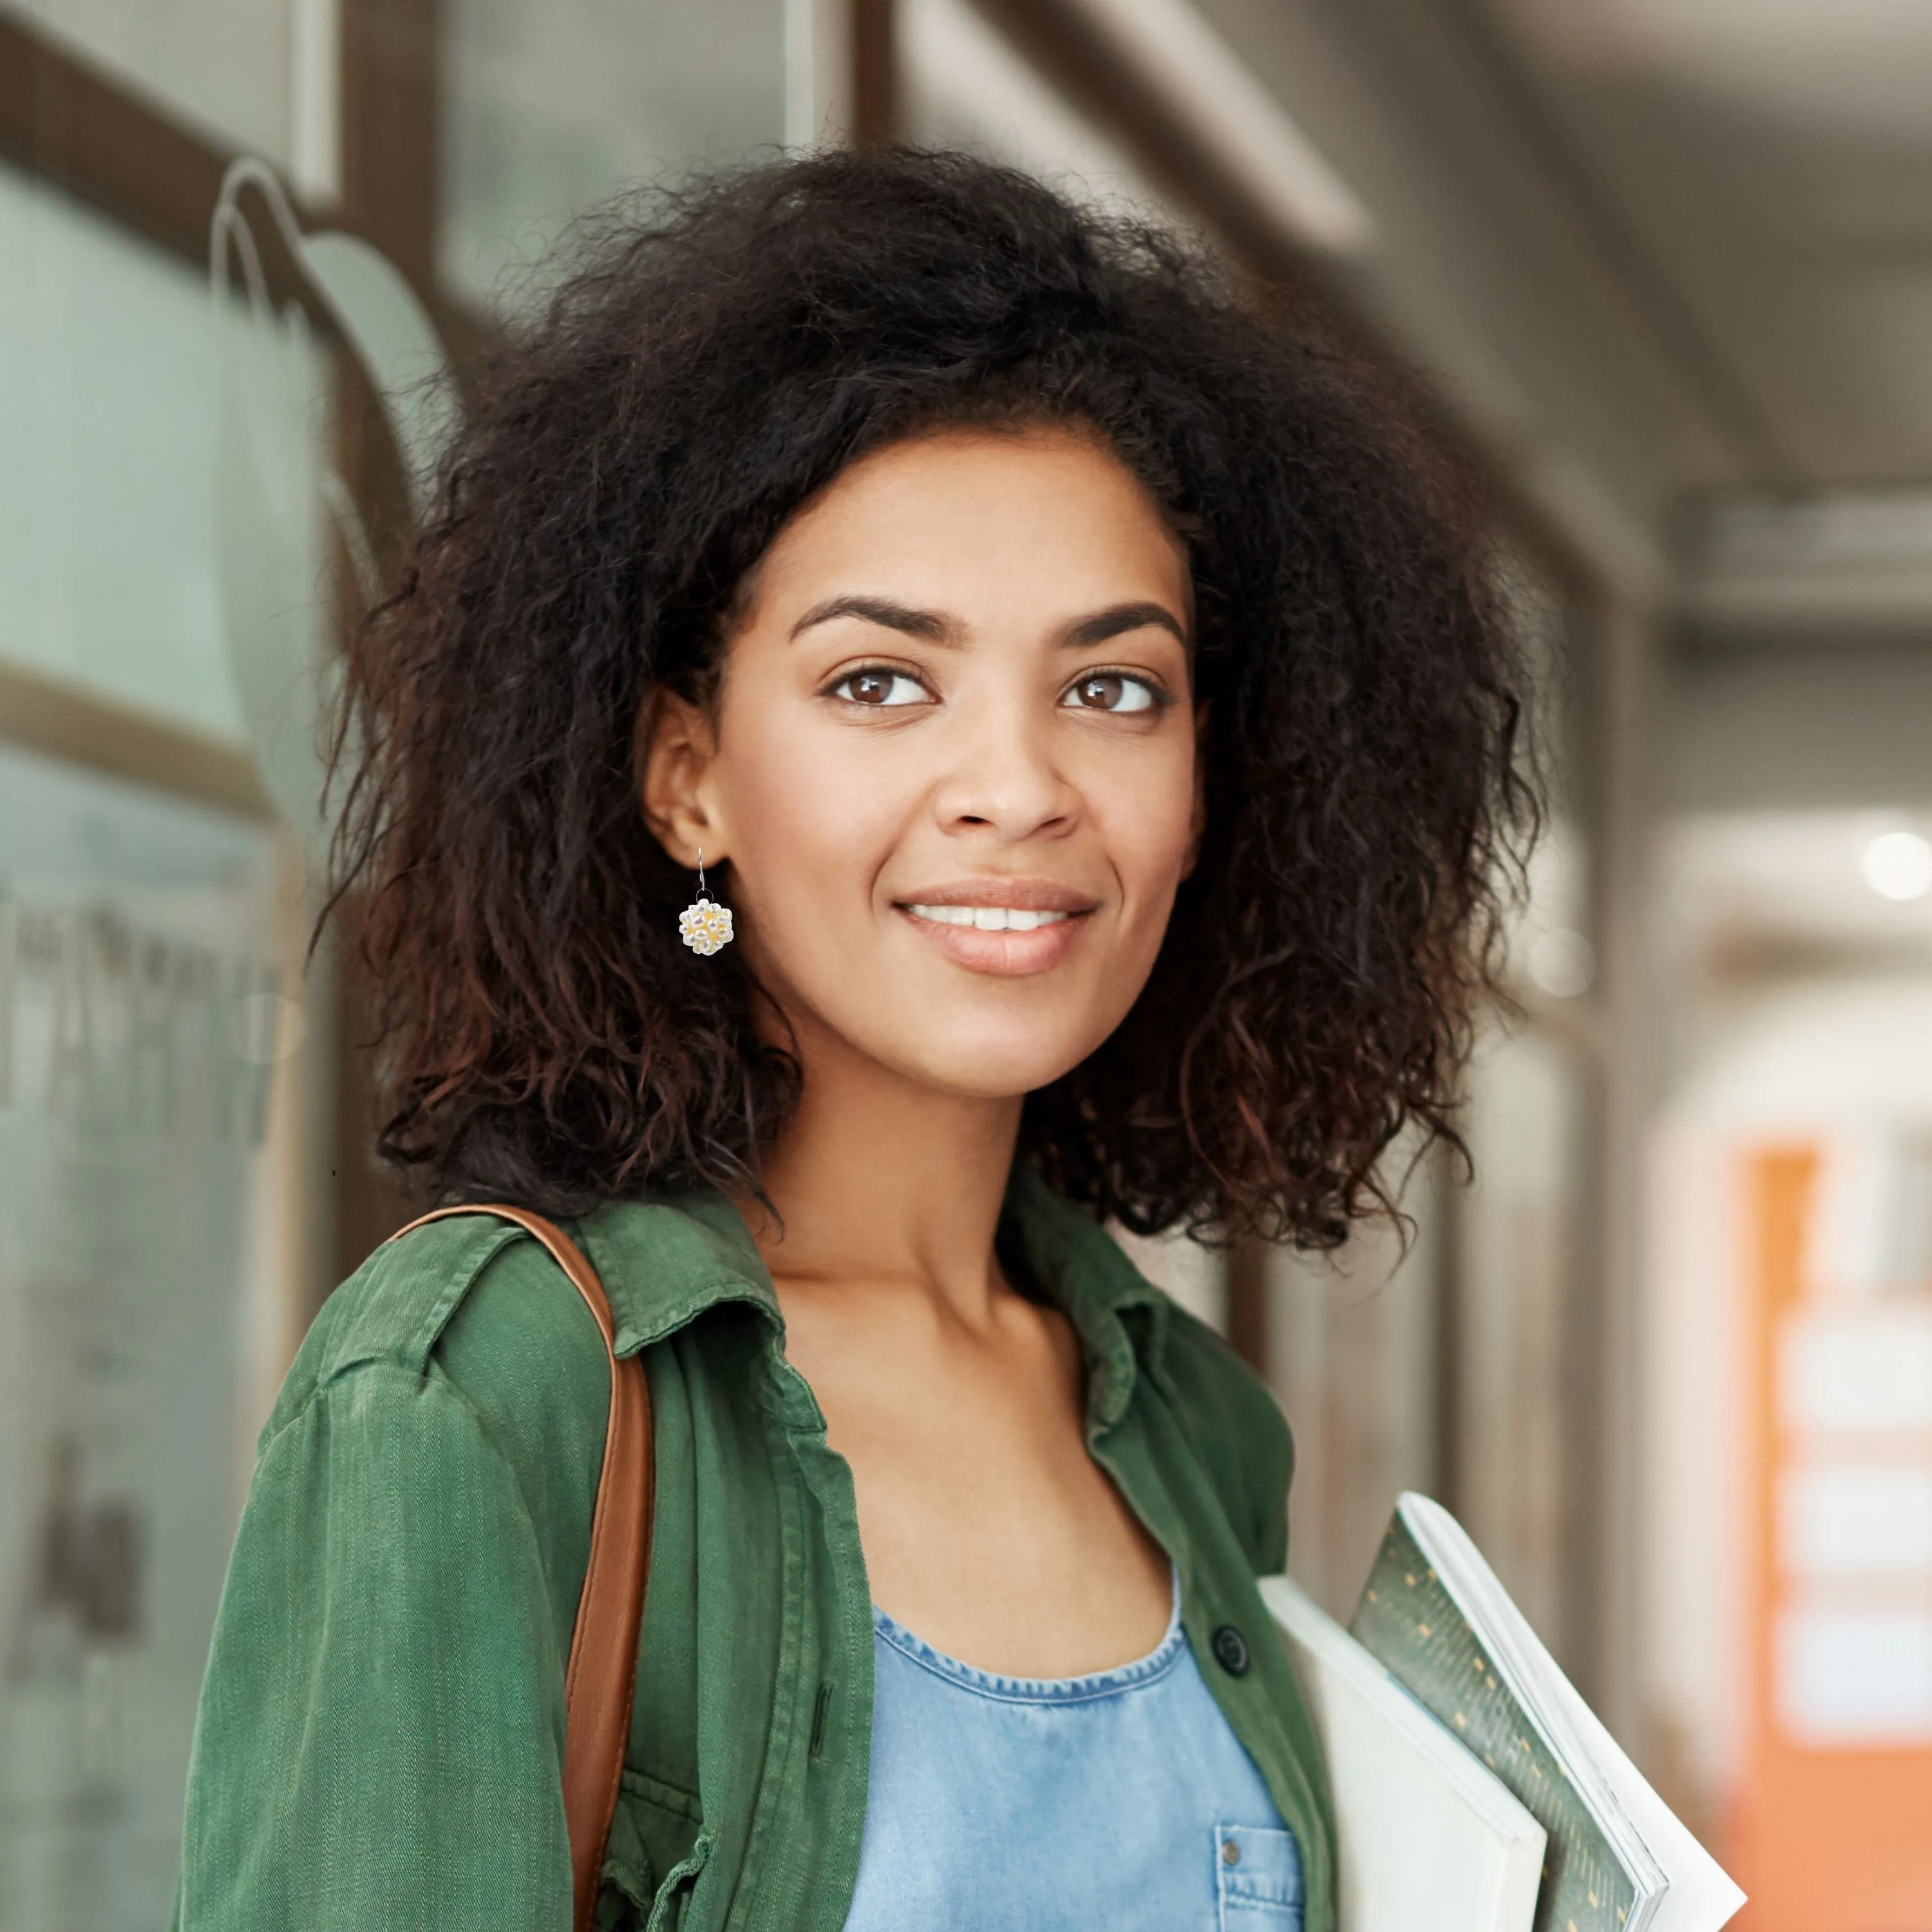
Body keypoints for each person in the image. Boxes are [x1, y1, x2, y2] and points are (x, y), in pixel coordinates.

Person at [175, 148, 1528, 1931]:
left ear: (1218, 785)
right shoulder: (482, 1397)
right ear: (685, 779)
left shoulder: (1194, 1429)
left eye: (1112, 687)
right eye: (880, 681)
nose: (1019, 790)